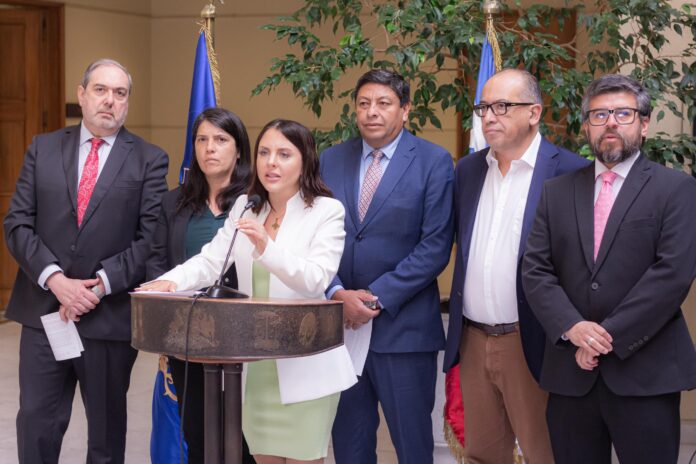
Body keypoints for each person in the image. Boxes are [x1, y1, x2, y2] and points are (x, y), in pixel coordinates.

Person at [137, 119, 357, 464]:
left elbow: (316, 280)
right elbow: (211, 259)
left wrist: (266, 247)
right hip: (255, 370)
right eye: (264, 152)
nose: (271, 162)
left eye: (284, 154)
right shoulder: (246, 206)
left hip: (305, 367)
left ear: (305, 161)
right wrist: (171, 281)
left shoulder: (326, 211)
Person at [522, 74, 696, 463]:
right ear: (586, 126)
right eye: (599, 115)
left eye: (623, 113)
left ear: (644, 124)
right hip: (570, 377)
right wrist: (573, 328)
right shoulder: (557, 192)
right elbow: (536, 270)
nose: (611, 123)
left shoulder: (676, 189)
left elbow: (672, 275)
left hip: (645, 374)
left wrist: (604, 338)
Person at [3, 58, 169, 463]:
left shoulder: (149, 159)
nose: (109, 100)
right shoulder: (42, 149)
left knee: (105, 438)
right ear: (81, 95)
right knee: (36, 426)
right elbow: (17, 224)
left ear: (127, 102)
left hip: (108, 317)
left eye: (120, 93)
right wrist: (56, 280)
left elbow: (150, 239)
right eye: (100, 90)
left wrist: (98, 285)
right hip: (45, 313)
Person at [442, 69, 590, 464]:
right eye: (484, 108)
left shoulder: (571, 171)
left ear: (534, 112)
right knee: (482, 455)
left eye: (502, 106)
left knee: (547, 453)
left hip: (534, 342)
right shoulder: (469, 170)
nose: (489, 117)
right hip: (473, 339)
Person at [320, 69, 454, 464]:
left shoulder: (433, 161)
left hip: (404, 332)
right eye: (363, 103)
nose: (371, 112)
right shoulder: (330, 159)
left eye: (383, 103)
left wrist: (374, 299)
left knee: (413, 449)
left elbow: (435, 247)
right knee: (350, 449)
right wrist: (336, 292)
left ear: (405, 109)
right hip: (341, 330)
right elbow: (313, 238)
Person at [146, 107, 254, 463]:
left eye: (221, 140)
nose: (210, 148)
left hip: (246, 337)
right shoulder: (173, 202)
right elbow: (157, 261)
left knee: (245, 437)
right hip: (189, 335)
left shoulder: (256, 203)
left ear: (238, 149)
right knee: (197, 433)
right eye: (202, 140)